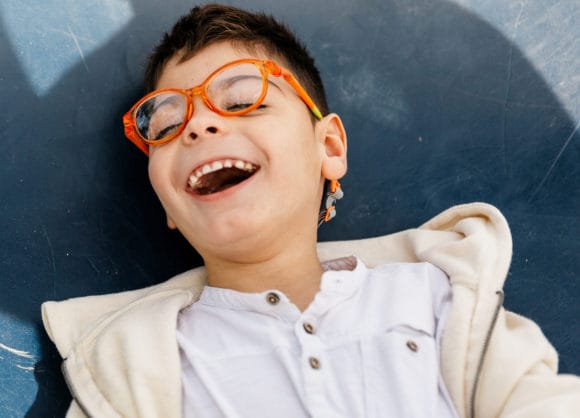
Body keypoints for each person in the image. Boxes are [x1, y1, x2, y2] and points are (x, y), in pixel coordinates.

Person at [42, 4, 580, 417]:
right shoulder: (138, 364)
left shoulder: (438, 300)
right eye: (164, 126)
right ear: (167, 206)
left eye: (241, 99)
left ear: (329, 148)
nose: (200, 126)